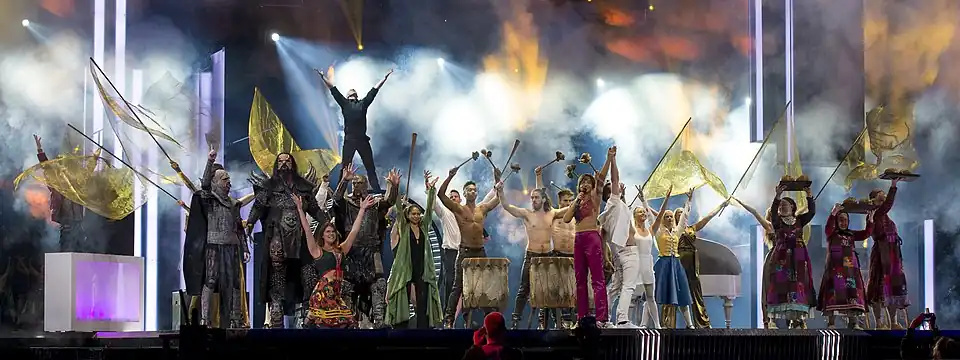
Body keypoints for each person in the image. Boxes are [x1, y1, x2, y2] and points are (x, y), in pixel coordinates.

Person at [246, 153, 328, 328]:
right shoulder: (269, 187)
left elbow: (314, 209)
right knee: (277, 279)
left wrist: (327, 223)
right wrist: (249, 225)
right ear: (277, 165)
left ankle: (309, 318)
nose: (284, 164)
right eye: (281, 161)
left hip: (300, 238)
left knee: (308, 275)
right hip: (277, 237)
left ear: (292, 164)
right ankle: (276, 321)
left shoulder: (303, 188)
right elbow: (258, 207)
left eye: (287, 161)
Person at [183, 149, 251, 328]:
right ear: (215, 182)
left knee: (235, 282)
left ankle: (236, 317)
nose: (229, 182)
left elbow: (238, 228)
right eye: (224, 179)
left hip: (232, 247)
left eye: (229, 179)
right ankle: (205, 318)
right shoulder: (208, 199)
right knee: (210, 280)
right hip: (213, 245)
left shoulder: (233, 204)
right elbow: (204, 185)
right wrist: (210, 161)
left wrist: (245, 248)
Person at [331, 164, 400, 328]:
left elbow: (389, 200)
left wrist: (393, 186)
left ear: (367, 185)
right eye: (354, 183)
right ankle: (347, 320)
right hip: (351, 251)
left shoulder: (375, 203)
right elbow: (336, 199)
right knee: (348, 284)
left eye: (360, 183)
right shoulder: (346, 203)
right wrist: (343, 181)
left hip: (371, 249)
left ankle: (379, 320)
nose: (357, 186)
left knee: (378, 283)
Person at [497, 176, 569, 329]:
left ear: (543, 199)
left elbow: (569, 209)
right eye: (532, 198)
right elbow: (507, 206)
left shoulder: (552, 213)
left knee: (552, 289)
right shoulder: (526, 213)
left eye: (536, 197)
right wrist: (501, 192)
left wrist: (584, 196)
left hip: (548, 256)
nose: (533, 200)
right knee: (524, 289)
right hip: (532, 255)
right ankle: (515, 321)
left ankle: (551, 321)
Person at [439, 165, 501, 328]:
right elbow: (440, 195)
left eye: (474, 190)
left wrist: (497, 180)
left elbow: (498, 199)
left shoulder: (482, 208)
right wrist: (450, 176)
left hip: (480, 251)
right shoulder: (459, 208)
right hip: (465, 252)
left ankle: (491, 321)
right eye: (469, 190)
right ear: (464, 193)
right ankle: (448, 320)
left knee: (486, 286)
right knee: (458, 286)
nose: (472, 192)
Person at [317, 68, 393, 193]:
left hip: (362, 140)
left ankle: (377, 191)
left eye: (353, 91)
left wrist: (384, 78)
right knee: (345, 168)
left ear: (356, 95)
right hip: (350, 140)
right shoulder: (344, 103)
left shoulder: (362, 103)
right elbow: (332, 88)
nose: (352, 91)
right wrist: (322, 76)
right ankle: (340, 192)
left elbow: (374, 90)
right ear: (348, 96)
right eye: (350, 91)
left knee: (370, 167)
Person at [660, 191, 729, 329]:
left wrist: (721, 205)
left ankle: (701, 323)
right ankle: (668, 323)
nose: (680, 215)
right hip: (677, 261)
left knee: (695, 292)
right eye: (677, 214)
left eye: (682, 213)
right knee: (672, 291)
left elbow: (708, 217)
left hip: (691, 262)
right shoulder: (671, 231)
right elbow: (657, 216)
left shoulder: (692, 228)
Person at [385, 171, 443, 329]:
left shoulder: (424, 227)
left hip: (422, 269)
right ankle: (400, 326)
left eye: (418, 214)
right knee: (403, 297)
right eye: (414, 214)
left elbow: (429, 212)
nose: (417, 216)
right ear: (408, 215)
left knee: (422, 301)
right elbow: (398, 206)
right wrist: (395, 187)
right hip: (406, 268)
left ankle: (423, 328)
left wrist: (431, 191)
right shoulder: (404, 227)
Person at [561, 148, 613, 325]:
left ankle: (601, 318)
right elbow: (567, 219)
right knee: (580, 279)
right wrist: (576, 201)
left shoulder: (595, 197)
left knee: (597, 279)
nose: (584, 183)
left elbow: (601, 178)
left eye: (587, 181)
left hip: (592, 237)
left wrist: (608, 159)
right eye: (582, 181)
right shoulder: (578, 200)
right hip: (578, 239)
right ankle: (582, 316)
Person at [304, 196, 373, 329]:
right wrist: (300, 210)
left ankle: (309, 319)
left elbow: (354, 231)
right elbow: (307, 229)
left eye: (333, 231)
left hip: (336, 294)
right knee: (329, 324)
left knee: (348, 323)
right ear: (322, 235)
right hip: (323, 294)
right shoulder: (317, 251)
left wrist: (362, 209)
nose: (331, 234)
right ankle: (308, 322)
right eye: (328, 232)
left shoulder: (341, 250)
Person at [433, 184, 496, 306]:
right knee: (452, 284)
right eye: (450, 197)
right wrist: (430, 190)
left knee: (473, 285)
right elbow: (435, 203)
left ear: (460, 199)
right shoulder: (445, 213)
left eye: (455, 196)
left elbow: (486, 201)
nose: (453, 198)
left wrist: (495, 188)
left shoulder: (466, 211)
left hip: (468, 251)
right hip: (452, 252)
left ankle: (468, 316)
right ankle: (448, 316)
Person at [766, 184, 816, 329]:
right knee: (783, 286)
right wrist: (777, 196)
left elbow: (812, 212)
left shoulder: (800, 220)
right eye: (781, 205)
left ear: (793, 207)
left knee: (799, 284)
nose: (782, 207)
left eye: (785, 205)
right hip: (782, 257)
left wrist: (809, 195)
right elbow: (773, 212)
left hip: (799, 256)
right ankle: (781, 320)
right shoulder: (777, 222)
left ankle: (798, 319)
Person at [818, 204, 873, 329]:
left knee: (851, 292)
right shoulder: (832, 233)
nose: (843, 222)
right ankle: (831, 323)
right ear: (836, 221)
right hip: (835, 267)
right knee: (833, 293)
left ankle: (853, 322)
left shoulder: (851, 234)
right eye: (840, 219)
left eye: (846, 220)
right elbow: (828, 228)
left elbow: (866, 233)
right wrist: (833, 213)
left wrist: (870, 219)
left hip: (849, 268)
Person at [598, 150, 637, 328]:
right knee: (628, 286)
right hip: (628, 252)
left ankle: (603, 317)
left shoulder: (611, 210)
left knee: (614, 288)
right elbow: (615, 178)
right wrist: (613, 159)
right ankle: (622, 319)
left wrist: (607, 258)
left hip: (618, 254)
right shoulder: (613, 202)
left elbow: (603, 236)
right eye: (614, 187)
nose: (618, 185)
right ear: (610, 193)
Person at [535, 167, 576, 328]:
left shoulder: (577, 216)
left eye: (570, 200)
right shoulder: (555, 213)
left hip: (573, 256)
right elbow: (542, 199)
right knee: (551, 289)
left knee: (571, 290)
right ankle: (543, 321)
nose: (568, 203)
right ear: (560, 202)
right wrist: (539, 176)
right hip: (557, 255)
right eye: (565, 201)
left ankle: (569, 320)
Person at [650, 186, 696, 328]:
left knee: (682, 294)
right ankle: (656, 324)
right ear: (663, 219)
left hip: (676, 264)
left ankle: (689, 324)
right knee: (658, 294)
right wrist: (645, 202)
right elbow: (652, 216)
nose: (670, 218)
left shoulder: (677, 231)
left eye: (671, 216)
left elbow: (684, 217)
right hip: (663, 264)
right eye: (667, 216)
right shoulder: (658, 232)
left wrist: (689, 200)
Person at [865, 178, 908, 329]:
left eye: (884, 194)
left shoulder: (884, 215)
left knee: (893, 288)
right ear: (873, 200)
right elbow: (888, 204)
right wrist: (893, 186)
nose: (883, 197)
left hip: (893, 253)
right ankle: (879, 322)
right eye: (880, 195)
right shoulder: (875, 213)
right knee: (879, 286)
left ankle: (894, 322)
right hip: (882, 253)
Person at [33, 134, 87, 252]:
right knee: (66, 249)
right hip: (66, 227)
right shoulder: (58, 185)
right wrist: (39, 149)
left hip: (78, 227)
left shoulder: (77, 184)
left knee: (79, 251)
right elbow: (46, 167)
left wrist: (95, 158)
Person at [629, 198, 659, 329]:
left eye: (644, 212)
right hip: (635, 263)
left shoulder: (650, 230)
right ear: (634, 215)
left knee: (651, 297)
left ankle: (657, 325)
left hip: (647, 264)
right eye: (640, 212)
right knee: (630, 296)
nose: (643, 214)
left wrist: (667, 198)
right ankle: (626, 323)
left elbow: (659, 218)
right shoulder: (631, 229)